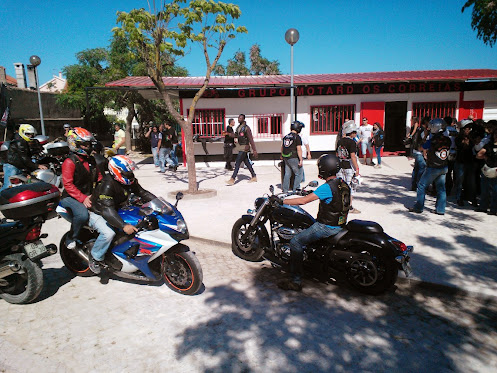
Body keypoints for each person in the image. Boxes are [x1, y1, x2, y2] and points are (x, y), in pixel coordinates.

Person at [277, 154, 351, 291]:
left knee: (296, 242)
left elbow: (303, 201)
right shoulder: (343, 183)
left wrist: (281, 201)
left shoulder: (327, 187)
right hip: (340, 224)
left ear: (324, 169)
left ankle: (295, 281)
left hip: (326, 226)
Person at [88, 155, 156, 274]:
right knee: (109, 233)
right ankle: (95, 257)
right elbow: (107, 210)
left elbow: (142, 193)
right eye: (127, 173)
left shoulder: (130, 181)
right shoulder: (107, 184)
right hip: (99, 212)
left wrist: (159, 203)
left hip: (117, 208)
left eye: (130, 172)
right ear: (116, 171)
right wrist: (123, 225)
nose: (129, 175)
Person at [60, 127, 102, 250]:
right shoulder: (70, 162)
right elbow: (68, 185)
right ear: (75, 144)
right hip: (70, 197)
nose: (87, 147)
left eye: (88, 144)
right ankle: (71, 236)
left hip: (88, 194)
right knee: (82, 215)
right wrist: (82, 198)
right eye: (84, 144)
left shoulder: (92, 160)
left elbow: (99, 178)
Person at [408, 118, 451, 215]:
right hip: (443, 166)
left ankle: (418, 207)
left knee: (421, 186)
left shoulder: (433, 140)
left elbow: (421, 147)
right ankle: (440, 209)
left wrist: (425, 137)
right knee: (441, 188)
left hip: (433, 167)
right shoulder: (447, 140)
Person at [1, 124, 47, 191]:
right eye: (28, 134)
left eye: (31, 134)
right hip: (12, 166)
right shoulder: (20, 141)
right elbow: (24, 158)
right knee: (8, 186)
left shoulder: (22, 140)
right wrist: (36, 166)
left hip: (17, 165)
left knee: (17, 188)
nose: (30, 136)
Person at [336, 120, 361, 214]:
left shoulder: (339, 141)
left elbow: (337, 153)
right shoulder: (352, 143)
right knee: (350, 187)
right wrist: (357, 168)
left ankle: (340, 204)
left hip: (340, 165)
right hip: (348, 166)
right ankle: (349, 206)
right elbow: (353, 156)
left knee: (340, 186)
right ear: (352, 132)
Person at [226, 114, 258, 185]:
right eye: (238, 118)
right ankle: (254, 176)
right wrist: (228, 134)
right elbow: (236, 135)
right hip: (240, 147)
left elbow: (251, 139)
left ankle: (232, 179)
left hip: (245, 148)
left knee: (237, 162)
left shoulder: (246, 128)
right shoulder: (238, 127)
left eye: (240, 118)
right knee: (247, 162)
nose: (238, 119)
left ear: (243, 119)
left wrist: (254, 150)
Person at [476, 125, 497, 215]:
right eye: (495, 134)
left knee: (495, 191)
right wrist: (485, 157)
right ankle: (483, 207)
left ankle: (493, 209)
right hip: (487, 169)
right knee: (485, 190)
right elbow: (478, 154)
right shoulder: (489, 144)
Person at [454, 119, 475, 207]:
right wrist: (464, 143)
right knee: (460, 181)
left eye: (470, 128)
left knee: (470, 181)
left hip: (469, 162)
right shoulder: (458, 138)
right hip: (460, 161)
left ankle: (470, 197)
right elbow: (460, 146)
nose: (469, 130)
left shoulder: (472, 137)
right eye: (467, 128)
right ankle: (459, 198)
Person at [281, 121, 304, 193]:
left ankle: (285, 190)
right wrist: (301, 159)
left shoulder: (286, 136)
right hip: (293, 157)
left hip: (286, 157)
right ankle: (296, 189)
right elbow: (299, 149)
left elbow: (282, 147)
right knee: (299, 173)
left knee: (287, 174)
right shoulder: (297, 137)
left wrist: (281, 155)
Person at [410, 117, 430, 191]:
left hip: (416, 151)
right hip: (420, 152)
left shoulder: (419, 129)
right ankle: (419, 186)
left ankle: (414, 185)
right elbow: (424, 143)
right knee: (421, 169)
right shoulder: (423, 131)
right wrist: (425, 154)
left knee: (416, 169)